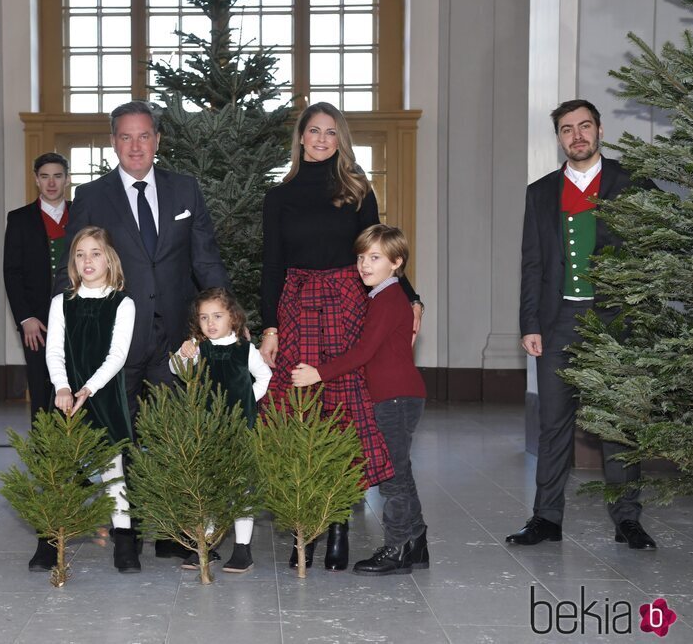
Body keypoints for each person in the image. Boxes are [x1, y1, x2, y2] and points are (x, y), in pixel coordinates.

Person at [53, 100, 231, 561]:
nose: (136, 146)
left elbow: (205, 259)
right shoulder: (92, 196)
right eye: (126, 137)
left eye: (144, 136)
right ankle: (125, 533)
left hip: (174, 339)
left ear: (158, 141)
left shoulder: (185, 191)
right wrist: (70, 332)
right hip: (116, 342)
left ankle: (173, 529)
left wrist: (225, 319)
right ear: (114, 142)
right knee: (120, 436)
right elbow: (74, 263)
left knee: (172, 433)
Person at [259, 102, 423, 571]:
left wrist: (411, 296)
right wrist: (270, 327)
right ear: (301, 137)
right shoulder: (279, 196)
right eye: (314, 131)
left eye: (331, 132)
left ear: (340, 139)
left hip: (348, 305)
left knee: (345, 417)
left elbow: (379, 248)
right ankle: (304, 524)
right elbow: (272, 265)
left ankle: (339, 528)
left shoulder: (355, 189)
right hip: (297, 307)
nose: (322, 139)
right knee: (300, 414)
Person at [508, 99, 657, 550]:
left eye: (584, 126)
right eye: (567, 129)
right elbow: (531, 263)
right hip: (559, 320)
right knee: (554, 423)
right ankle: (546, 518)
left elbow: (651, 257)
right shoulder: (540, 192)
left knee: (618, 423)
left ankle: (627, 519)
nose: (577, 135)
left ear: (599, 130)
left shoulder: (632, 184)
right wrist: (529, 322)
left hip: (617, 320)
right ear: (558, 138)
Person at [292, 225, 428, 576]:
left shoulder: (388, 299)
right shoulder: (381, 296)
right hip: (399, 395)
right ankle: (416, 543)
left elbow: (363, 352)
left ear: (396, 262)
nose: (364, 265)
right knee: (401, 470)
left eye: (375, 258)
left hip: (395, 397)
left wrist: (318, 373)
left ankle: (396, 549)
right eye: (360, 257)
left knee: (393, 477)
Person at [46, 226, 139, 572]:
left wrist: (89, 388)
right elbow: (54, 351)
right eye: (80, 254)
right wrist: (63, 387)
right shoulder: (61, 302)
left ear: (109, 258)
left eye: (95, 253)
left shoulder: (123, 302)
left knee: (112, 469)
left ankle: (125, 542)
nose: (88, 260)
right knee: (62, 469)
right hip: (66, 396)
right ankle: (49, 539)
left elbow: (117, 355)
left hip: (103, 393)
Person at [170, 288, 272, 574]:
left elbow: (265, 376)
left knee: (241, 487)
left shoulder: (245, 349)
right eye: (204, 318)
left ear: (234, 318)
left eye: (217, 316)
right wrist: (183, 351)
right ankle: (208, 545)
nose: (210, 323)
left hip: (240, 427)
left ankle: (243, 550)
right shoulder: (199, 348)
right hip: (207, 429)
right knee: (209, 486)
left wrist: (248, 400)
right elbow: (176, 368)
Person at [3, 152, 72, 571]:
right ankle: (50, 486)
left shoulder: (84, 213)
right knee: (44, 408)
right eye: (44, 177)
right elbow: (12, 273)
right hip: (39, 328)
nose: (51, 183)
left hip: (81, 328)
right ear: (35, 180)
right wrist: (27, 317)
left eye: (57, 176)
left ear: (67, 179)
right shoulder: (20, 218)